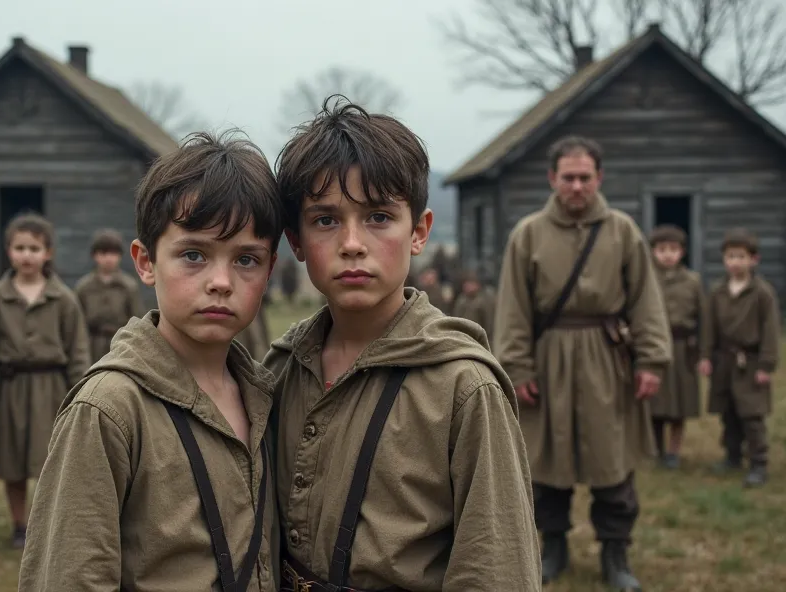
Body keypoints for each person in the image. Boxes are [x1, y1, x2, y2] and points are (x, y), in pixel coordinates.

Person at [266, 96, 540, 591]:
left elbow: (497, 568)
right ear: (296, 241)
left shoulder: (463, 388)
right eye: (326, 220)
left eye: (378, 217)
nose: (352, 243)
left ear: (419, 232)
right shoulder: (281, 371)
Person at [18, 131, 283, 591]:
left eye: (246, 260)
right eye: (193, 255)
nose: (221, 281)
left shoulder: (266, 396)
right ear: (144, 261)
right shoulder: (108, 411)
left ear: (270, 270)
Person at [493, 135, 672, 590]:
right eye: (568, 177)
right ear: (552, 178)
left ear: (599, 178)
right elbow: (513, 308)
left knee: (612, 460)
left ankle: (616, 555)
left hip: (606, 359)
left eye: (584, 178)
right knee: (546, 461)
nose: (576, 186)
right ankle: (554, 547)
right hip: (548, 356)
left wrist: (650, 359)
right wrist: (517, 367)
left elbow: (646, 302)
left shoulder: (622, 231)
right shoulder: (528, 233)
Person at [0, 214, 91, 548]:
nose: (26, 255)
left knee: (51, 462)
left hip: (52, 390)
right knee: (13, 463)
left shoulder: (64, 299)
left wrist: (82, 399)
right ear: (9, 251)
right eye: (19, 247)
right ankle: (19, 524)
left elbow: (78, 352)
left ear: (47, 252)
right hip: (10, 389)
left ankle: (48, 526)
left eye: (34, 248)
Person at [699, 228, 779, 488]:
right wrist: (706, 355)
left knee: (751, 414)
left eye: (741, 257)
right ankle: (732, 456)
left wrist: (766, 364)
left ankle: (758, 462)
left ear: (753, 260)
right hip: (724, 359)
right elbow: (708, 326)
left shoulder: (762, 293)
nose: (735, 262)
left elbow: (770, 330)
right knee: (728, 410)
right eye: (730, 256)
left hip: (751, 361)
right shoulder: (717, 291)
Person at [649, 225, 707, 470]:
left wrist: (703, 354)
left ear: (682, 252)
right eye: (662, 249)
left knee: (679, 407)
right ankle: (655, 449)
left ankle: (674, 451)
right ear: (652, 252)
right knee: (654, 405)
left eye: (673, 249)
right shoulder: (646, 280)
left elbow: (704, 320)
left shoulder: (692, 281)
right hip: (654, 349)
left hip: (683, 350)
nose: (667, 255)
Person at [75, 229, 144, 361]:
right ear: (94, 255)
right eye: (103, 253)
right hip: (92, 346)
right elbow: (78, 322)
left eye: (113, 253)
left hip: (121, 344)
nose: (108, 258)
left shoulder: (128, 286)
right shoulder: (84, 287)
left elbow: (137, 319)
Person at [452, 269, 496, 344]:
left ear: (477, 285)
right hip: (463, 338)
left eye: (470, 284)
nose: (467, 286)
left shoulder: (484, 300)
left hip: (479, 338)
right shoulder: (461, 300)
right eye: (466, 284)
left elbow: (489, 323)